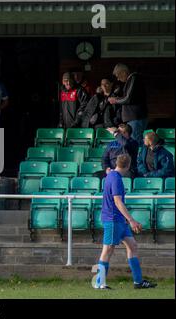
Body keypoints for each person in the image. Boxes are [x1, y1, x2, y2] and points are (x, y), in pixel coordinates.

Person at [94, 154, 156, 289]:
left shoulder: (111, 175)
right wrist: (132, 220)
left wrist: (126, 220)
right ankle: (99, 283)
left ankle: (138, 282)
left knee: (132, 246)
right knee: (108, 250)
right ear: (128, 166)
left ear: (116, 163)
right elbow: (117, 201)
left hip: (119, 220)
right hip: (113, 219)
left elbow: (109, 173)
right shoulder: (115, 179)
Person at [108, 63, 147, 143]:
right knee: (134, 141)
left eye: (118, 75)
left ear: (123, 72)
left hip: (136, 118)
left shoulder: (133, 78)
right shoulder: (132, 79)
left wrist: (115, 100)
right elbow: (129, 97)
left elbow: (128, 98)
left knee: (135, 142)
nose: (118, 79)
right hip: (134, 118)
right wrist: (118, 98)